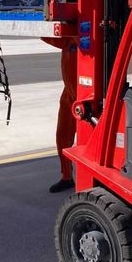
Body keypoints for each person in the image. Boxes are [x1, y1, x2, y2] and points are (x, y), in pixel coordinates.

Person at [41, 36, 78, 193]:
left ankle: (91, 179)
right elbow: (50, 37)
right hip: (69, 94)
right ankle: (67, 177)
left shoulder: (86, 37)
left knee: (87, 142)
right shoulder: (68, 39)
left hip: (86, 96)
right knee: (62, 135)